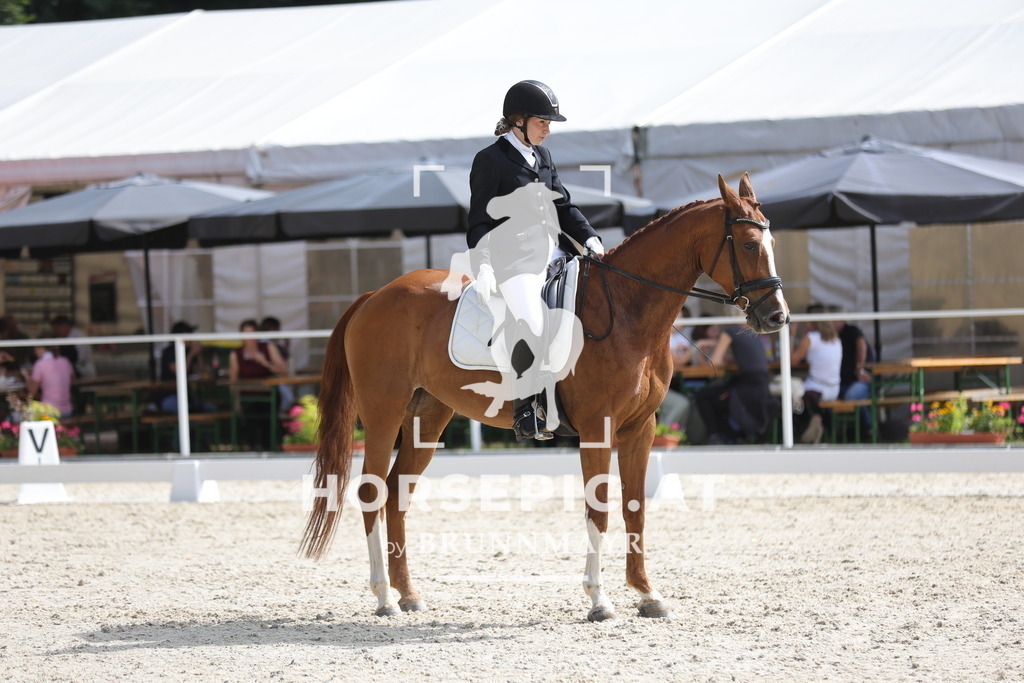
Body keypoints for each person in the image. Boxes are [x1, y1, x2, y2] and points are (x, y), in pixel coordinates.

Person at [467, 79, 605, 441]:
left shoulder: (542, 156)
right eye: (542, 122)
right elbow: (479, 218)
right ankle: (527, 409)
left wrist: (590, 236)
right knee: (532, 321)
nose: (547, 130)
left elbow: (563, 204)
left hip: (557, 254)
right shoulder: (490, 160)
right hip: (514, 263)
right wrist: (481, 263)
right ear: (518, 120)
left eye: (548, 124)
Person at [694, 321, 777, 444]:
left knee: (703, 396)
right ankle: (729, 435)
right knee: (716, 395)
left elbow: (715, 361)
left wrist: (700, 347)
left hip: (746, 391)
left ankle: (715, 436)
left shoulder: (730, 331)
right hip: (761, 388)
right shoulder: (753, 334)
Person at [229, 319, 287, 451]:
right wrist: (236, 401)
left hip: (268, 395)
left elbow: (283, 370)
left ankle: (271, 449)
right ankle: (253, 451)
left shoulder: (268, 347)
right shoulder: (236, 354)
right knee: (250, 425)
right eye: (245, 334)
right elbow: (234, 381)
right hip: (248, 397)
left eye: (252, 334)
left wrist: (265, 362)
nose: (249, 338)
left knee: (268, 424)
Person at [790, 305, 843, 444]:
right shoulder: (836, 339)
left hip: (816, 389)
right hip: (834, 389)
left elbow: (792, 362)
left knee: (791, 394)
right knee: (801, 392)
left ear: (812, 320)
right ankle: (818, 420)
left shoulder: (811, 338)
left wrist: (791, 336)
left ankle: (808, 426)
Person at [829, 304, 874, 434]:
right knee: (827, 395)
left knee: (852, 396)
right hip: (843, 382)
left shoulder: (851, 331)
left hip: (863, 380)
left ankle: (868, 429)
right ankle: (837, 432)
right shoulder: (831, 336)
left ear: (841, 320)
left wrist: (859, 370)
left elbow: (861, 345)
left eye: (832, 320)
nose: (829, 323)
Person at [155, 321, 215, 414]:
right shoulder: (169, 351)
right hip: (168, 395)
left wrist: (198, 354)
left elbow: (200, 372)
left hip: (187, 396)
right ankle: (190, 428)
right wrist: (191, 355)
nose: (191, 337)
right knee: (185, 411)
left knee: (210, 409)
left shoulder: (188, 351)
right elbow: (180, 371)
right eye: (188, 334)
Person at [24, 344, 75, 417]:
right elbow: (72, 378)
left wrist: (26, 376)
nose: (34, 352)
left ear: (40, 347)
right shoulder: (65, 361)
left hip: (49, 411)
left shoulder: (40, 364)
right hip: (67, 410)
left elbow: (32, 391)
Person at [260, 316, 295, 412]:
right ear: (272, 329)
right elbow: (283, 368)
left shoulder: (268, 344)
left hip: (271, 384)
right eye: (277, 329)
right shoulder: (268, 344)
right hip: (271, 384)